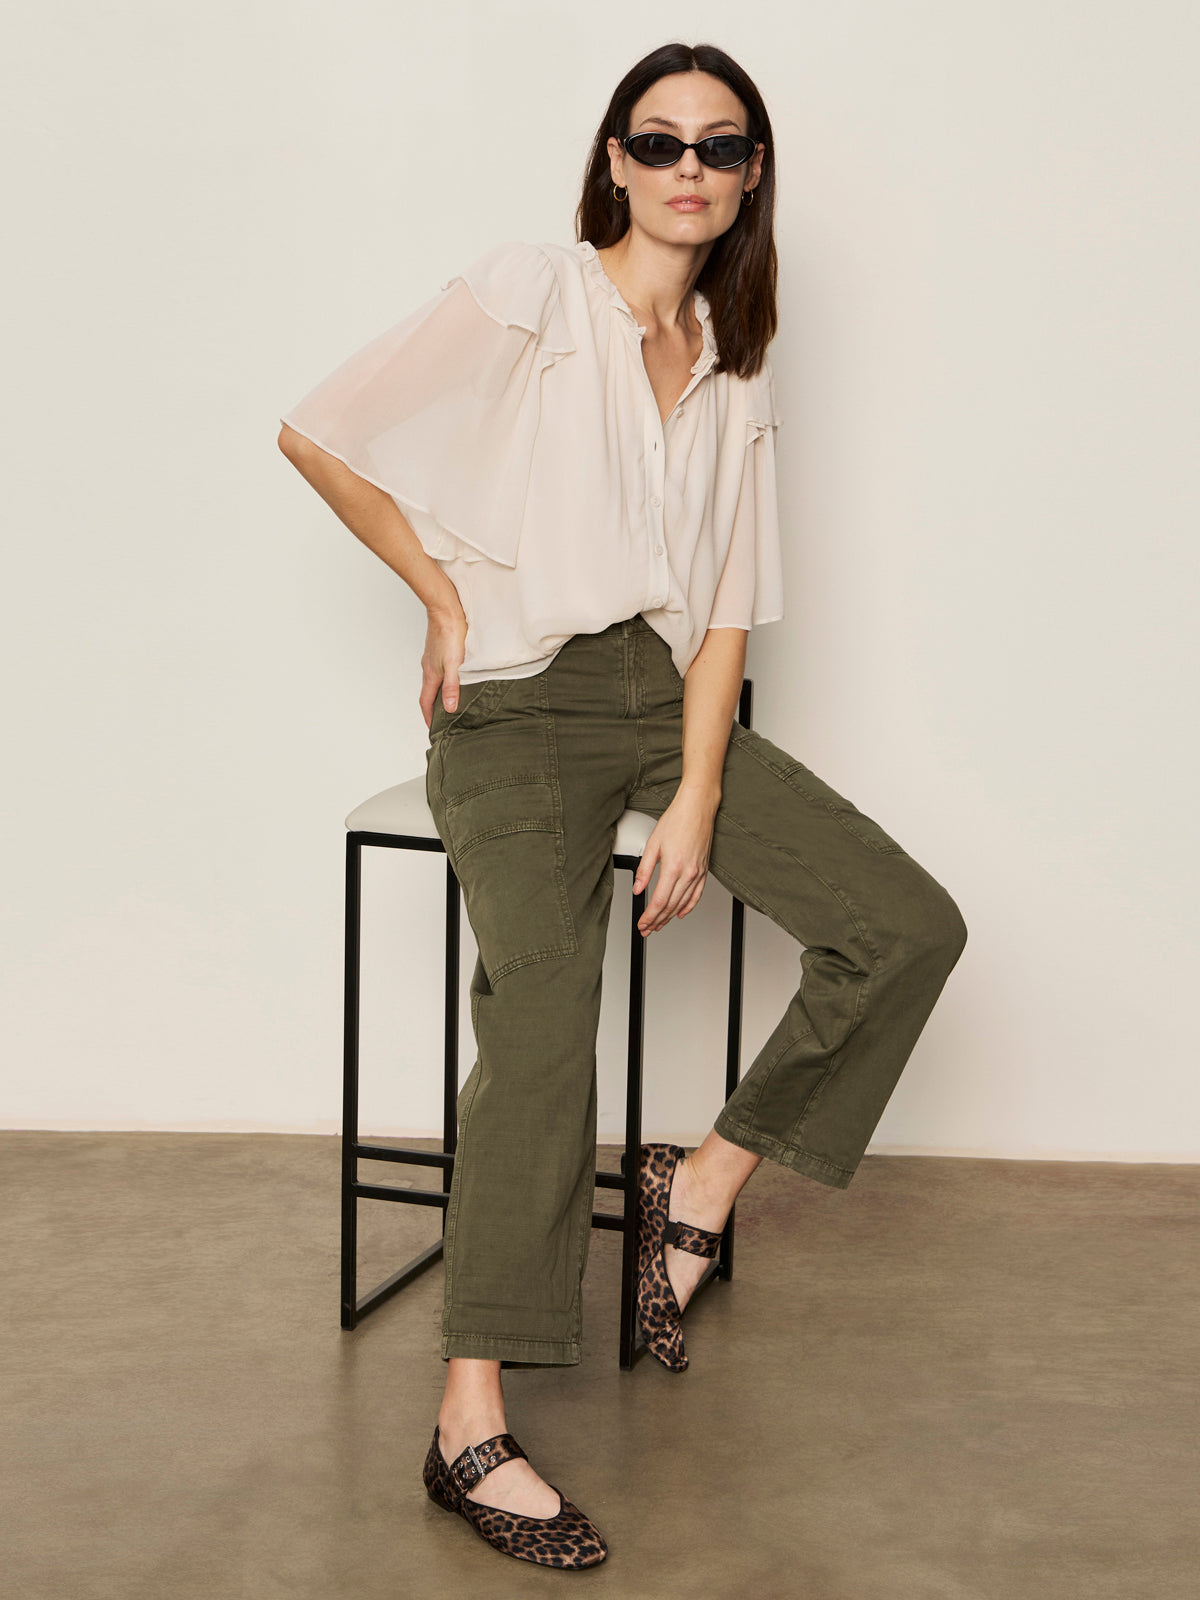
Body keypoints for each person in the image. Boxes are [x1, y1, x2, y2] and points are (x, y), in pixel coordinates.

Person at [278, 41, 967, 1572]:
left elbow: (726, 608)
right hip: (516, 713)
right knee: (539, 1012)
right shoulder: (536, 289)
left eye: (719, 148)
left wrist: (703, 790)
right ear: (612, 159)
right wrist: (442, 599)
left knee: (904, 927)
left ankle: (700, 1180)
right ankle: (470, 1419)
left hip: (665, 708)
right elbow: (319, 429)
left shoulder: (736, 352)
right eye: (657, 143)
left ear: (750, 177)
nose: (687, 170)